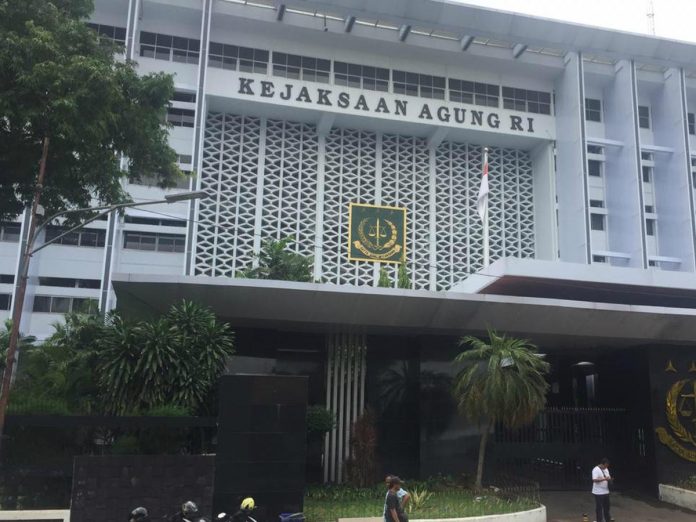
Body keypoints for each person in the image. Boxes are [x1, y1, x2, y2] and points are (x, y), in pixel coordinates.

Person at [591, 458, 613, 522]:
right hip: (598, 492)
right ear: (603, 464)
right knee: (599, 508)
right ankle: (599, 520)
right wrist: (604, 479)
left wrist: (610, 480)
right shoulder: (595, 469)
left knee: (607, 507)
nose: (606, 467)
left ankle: (607, 520)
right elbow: (594, 480)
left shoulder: (606, 469)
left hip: (606, 491)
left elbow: (608, 477)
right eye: (606, 466)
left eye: (607, 466)